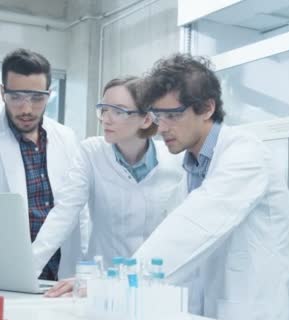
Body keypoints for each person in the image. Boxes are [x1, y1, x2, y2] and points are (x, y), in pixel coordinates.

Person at [132, 54, 289, 320]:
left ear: (207, 108)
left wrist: (120, 280)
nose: (162, 127)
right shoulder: (192, 169)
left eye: (173, 115)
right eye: (157, 116)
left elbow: (196, 226)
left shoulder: (245, 155)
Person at [32, 76, 184, 297]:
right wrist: (28, 270)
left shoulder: (175, 162)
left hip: (153, 287)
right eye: (104, 109)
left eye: (119, 111)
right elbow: (64, 212)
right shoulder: (91, 152)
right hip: (97, 285)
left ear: (146, 119)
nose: (106, 119)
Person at [0, 49, 85, 281]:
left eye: (36, 98)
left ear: (49, 94)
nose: (26, 109)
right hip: (8, 270)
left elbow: (79, 207)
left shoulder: (66, 137)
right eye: (16, 97)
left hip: (61, 272)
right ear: (3, 92)